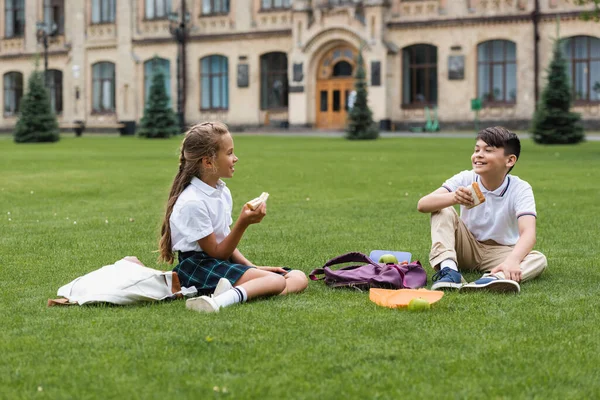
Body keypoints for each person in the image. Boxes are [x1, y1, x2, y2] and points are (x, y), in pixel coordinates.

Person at [158, 122, 308, 312]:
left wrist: (252, 267)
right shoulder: (192, 202)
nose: (235, 158)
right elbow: (217, 252)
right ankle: (218, 302)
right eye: (229, 153)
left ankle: (236, 292)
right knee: (276, 281)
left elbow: (224, 240)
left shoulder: (221, 191)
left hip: (219, 262)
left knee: (298, 277)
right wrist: (243, 223)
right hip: (198, 267)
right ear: (208, 162)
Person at [416, 126, 547, 293]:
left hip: (501, 252)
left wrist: (512, 261)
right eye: (477, 149)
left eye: (488, 150)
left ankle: (494, 279)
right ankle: (450, 271)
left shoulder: (521, 188)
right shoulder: (465, 178)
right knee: (443, 209)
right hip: (466, 248)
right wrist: (454, 198)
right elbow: (423, 204)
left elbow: (528, 233)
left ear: (510, 160)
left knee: (538, 259)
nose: (478, 154)